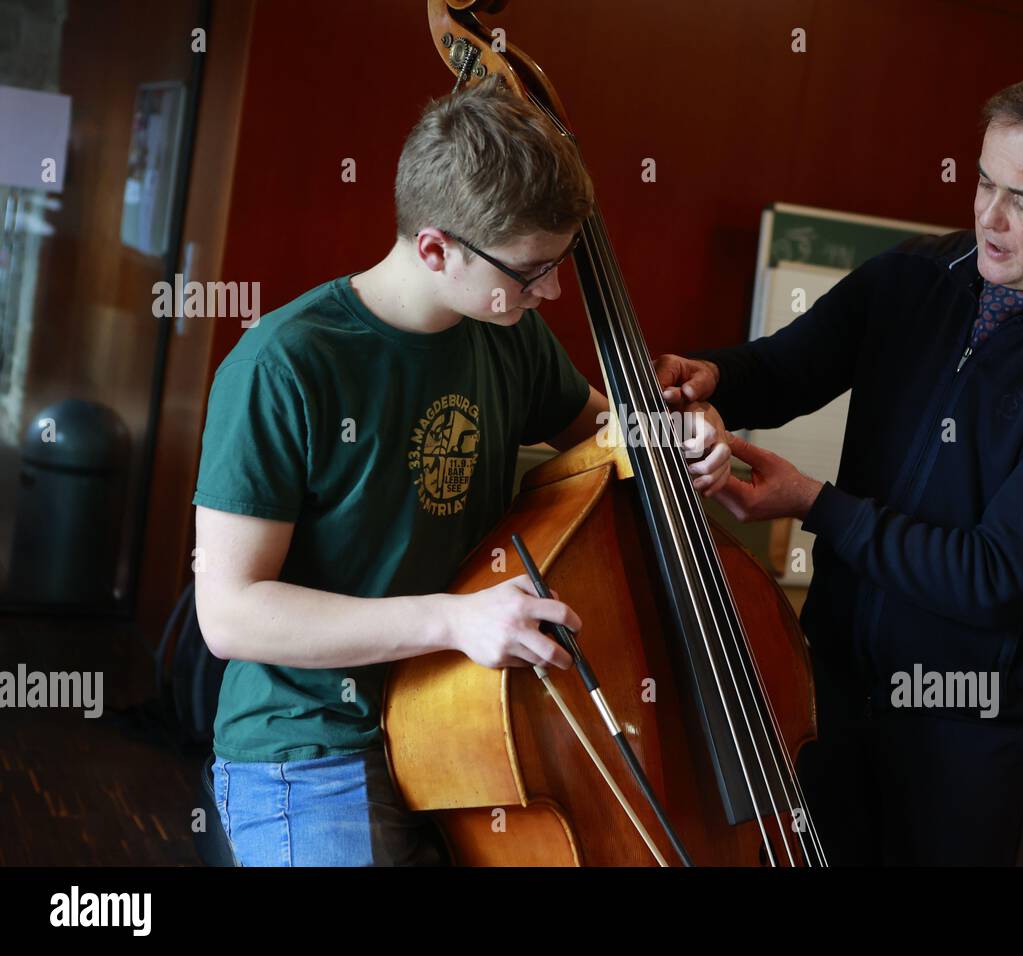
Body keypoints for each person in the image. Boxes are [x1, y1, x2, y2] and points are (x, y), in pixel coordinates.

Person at [655, 61, 1023, 865]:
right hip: (827, 687)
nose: (989, 218)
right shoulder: (916, 275)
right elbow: (785, 368)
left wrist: (811, 502)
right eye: (983, 184)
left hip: (966, 736)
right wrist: (713, 376)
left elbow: (994, 574)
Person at [193, 77, 731, 866]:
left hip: (474, 719)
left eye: (560, 264)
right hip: (313, 746)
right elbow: (231, 614)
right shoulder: (283, 364)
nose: (550, 291)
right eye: (530, 270)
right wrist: (453, 618)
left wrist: (679, 432)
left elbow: (603, 432)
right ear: (436, 247)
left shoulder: (502, 330)